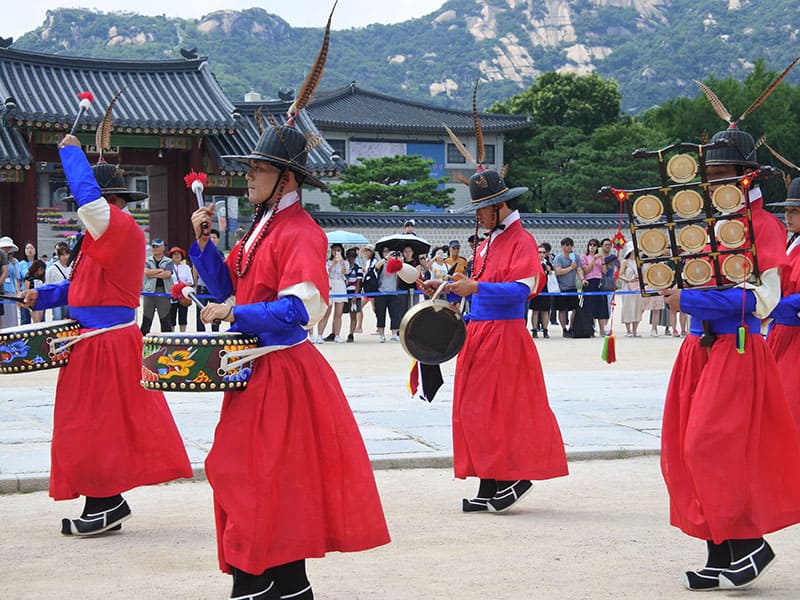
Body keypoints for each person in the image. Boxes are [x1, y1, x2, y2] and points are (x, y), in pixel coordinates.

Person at [188, 18, 390, 597]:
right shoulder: (264, 226)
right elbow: (232, 285)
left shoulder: (300, 231)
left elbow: (300, 311)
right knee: (249, 480)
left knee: (259, 484)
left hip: (281, 371)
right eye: (249, 168)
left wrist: (234, 315)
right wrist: (205, 248)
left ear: (284, 177)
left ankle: (265, 584)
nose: (246, 175)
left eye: (256, 169)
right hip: (255, 370)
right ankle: (284, 585)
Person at [21, 133, 191, 536]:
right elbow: (78, 287)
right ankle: (105, 501)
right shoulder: (97, 238)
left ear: (106, 202)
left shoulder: (120, 229)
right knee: (89, 425)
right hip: (92, 341)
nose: (81, 212)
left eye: (89, 204)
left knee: (94, 426)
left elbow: (86, 197)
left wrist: (69, 150)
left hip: (105, 343)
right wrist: (40, 295)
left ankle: (104, 503)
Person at [659, 125, 800, 591]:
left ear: (746, 175)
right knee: (686, 450)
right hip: (698, 349)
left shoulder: (764, 225)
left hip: (739, 349)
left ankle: (751, 542)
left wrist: (692, 301)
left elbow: (763, 301)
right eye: (710, 173)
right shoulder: (710, 222)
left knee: (710, 447)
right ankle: (720, 553)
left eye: (722, 173)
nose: (714, 181)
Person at [424, 112, 568, 513]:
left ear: (500, 206)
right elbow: (477, 285)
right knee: (475, 410)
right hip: (480, 331)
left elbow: (526, 288)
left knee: (498, 410)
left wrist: (477, 287)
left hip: (504, 335)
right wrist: (447, 289)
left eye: (483, 208)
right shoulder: (488, 241)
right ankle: (491, 482)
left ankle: (512, 477)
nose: (477, 215)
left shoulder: (520, 240)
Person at [766, 177, 800, 428]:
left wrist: (769, 304)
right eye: (787, 210)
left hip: (795, 333)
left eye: (795, 211)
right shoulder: (790, 243)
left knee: (790, 402)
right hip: (778, 332)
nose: (788, 217)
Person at [140, 238, 174, 334]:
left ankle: (167, 341)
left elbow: (167, 274)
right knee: (147, 317)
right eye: (153, 247)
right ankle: (142, 341)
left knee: (165, 318)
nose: (155, 249)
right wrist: (160, 270)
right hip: (149, 291)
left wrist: (153, 273)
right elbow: (147, 273)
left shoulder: (168, 261)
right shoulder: (148, 260)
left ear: (163, 248)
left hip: (163, 291)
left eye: (157, 247)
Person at [577, 238, 610, 335]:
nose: (592, 247)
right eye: (590, 245)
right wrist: (593, 260)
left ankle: (602, 330)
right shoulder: (584, 257)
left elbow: (605, 271)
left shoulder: (601, 257)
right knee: (589, 307)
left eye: (594, 245)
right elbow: (586, 270)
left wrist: (602, 259)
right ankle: (590, 328)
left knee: (601, 306)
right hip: (589, 282)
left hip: (599, 282)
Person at [193, 229, 224, 333]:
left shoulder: (220, 253)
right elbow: (195, 268)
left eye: (214, 238)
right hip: (202, 286)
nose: (212, 239)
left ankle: (216, 333)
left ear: (218, 240)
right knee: (200, 312)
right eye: (210, 238)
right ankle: (200, 334)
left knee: (216, 311)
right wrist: (195, 282)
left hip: (215, 287)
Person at [316, 243, 346, 343]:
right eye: (334, 250)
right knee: (326, 312)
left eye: (338, 250)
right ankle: (320, 335)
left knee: (338, 313)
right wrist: (334, 262)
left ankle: (337, 335)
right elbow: (326, 272)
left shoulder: (344, 262)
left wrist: (341, 263)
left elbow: (344, 272)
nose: (336, 252)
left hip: (340, 286)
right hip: (330, 285)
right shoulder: (327, 262)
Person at [552, 237, 580, 336]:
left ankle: (572, 327)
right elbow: (558, 272)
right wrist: (570, 267)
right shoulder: (559, 258)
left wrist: (582, 279)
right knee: (562, 309)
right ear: (562, 246)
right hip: (561, 288)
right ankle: (564, 329)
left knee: (575, 308)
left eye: (571, 245)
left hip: (573, 286)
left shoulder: (575, 257)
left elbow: (579, 269)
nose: (569, 247)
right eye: (567, 245)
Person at [374, 248, 401, 342]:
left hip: (393, 292)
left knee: (394, 314)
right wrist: (386, 258)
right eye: (385, 251)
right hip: (381, 291)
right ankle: (381, 334)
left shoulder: (396, 263)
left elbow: (401, 272)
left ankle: (394, 334)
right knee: (381, 314)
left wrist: (399, 260)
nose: (388, 253)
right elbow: (376, 267)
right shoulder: (382, 263)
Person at [618, 242, 643, 337]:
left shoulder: (639, 261)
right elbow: (619, 275)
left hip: (637, 287)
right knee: (628, 307)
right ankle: (628, 331)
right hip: (627, 287)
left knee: (637, 307)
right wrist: (629, 280)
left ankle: (635, 330)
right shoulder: (625, 262)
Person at [168, 246, 193, 333]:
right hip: (172, 294)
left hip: (183, 294)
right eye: (174, 254)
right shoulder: (168, 266)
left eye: (178, 254)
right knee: (172, 315)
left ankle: (182, 334)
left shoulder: (186, 267)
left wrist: (182, 285)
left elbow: (190, 281)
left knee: (183, 315)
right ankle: (172, 334)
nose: (177, 256)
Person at [530, 245, 553, 338]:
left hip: (546, 289)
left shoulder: (548, 263)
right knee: (535, 311)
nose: (542, 254)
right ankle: (534, 330)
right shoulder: (533, 263)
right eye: (540, 252)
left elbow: (552, 274)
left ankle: (545, 330)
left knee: (545, 311)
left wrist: (550, 270)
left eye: (544, 252)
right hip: (536, 289)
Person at [45, 243, 72, 321]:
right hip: (56, 296)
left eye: (67, 254)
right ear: (59, 256)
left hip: (67, 295)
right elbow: (48, 283)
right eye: (63, 255)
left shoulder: (72, 267)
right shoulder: (52, 268)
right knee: (57, 316)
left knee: (66, 316)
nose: (65, 257)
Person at [343, 246, 363, 342]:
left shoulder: (358, 269)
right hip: (344, 293)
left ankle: (351, 333)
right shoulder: (344, 268)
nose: (351, 258)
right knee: (339, 314)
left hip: (353, 293)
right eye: (350, 256)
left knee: (353, 315)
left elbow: (358, 283)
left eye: (353, 256)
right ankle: (335, 332)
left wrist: (355, 294)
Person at [0, 236, 20, 328]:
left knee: (12, 315)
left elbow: (17, 276)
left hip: (11, 289)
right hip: (3, 289)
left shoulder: (14, 261)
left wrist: (15, 264)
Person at [17, 241, 37, 325]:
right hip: (24, 294)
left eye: (31, 248)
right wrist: (18, 293)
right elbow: (18, 280)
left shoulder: (38, 263)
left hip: (36, 294)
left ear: (35, 250)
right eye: (27, 248)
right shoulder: (21, 264)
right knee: (25, 319)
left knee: (38, 319)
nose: (29, 250)